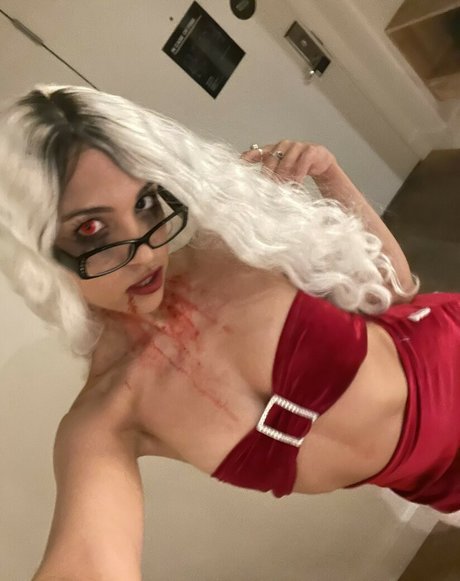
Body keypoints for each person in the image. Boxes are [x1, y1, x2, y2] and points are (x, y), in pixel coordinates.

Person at [1, 85, 459, 581]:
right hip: (433, 484)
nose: (147, 253)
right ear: (38, 253)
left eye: (147, 202)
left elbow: (394, 292)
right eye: (91, 230)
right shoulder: (104, 419)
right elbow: (88, 563)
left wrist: (329, 175)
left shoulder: (237, 245)